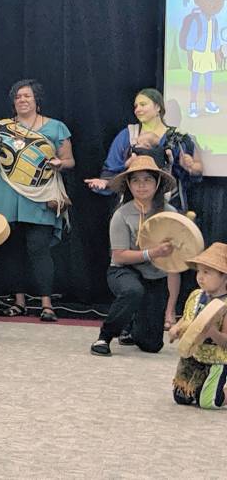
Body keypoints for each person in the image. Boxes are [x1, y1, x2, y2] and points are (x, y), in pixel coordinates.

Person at [84, 88, 203, 330]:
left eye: (143, 104)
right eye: (135, 105)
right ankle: (131, 316)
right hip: (134, 204)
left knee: (170, 260)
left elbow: (195, 170)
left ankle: (169, 312)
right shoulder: (127, 136)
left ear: (158, 107)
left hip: (169, 201)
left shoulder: (178, 138)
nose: (137, 108)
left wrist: (190, 166)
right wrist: (104, 182)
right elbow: (114, 171)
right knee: (134, 255)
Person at [0, 79, 74, 322]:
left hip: (39, 195)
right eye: (18, 97)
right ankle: (19, 302)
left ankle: (46, 305)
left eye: (27, 96)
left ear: (37, 100)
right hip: (5, 194)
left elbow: (70, 161)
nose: (22, 100)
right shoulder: (1, 128)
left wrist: (59, 164)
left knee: (39, 248)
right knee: (11, 251)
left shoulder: (56, 128)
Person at [90, 157, 176, 356]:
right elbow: (119, 256)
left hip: (155, 276)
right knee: (132, 291)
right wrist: (152, 253)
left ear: (157, 184)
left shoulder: (169, 213)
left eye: (147, 180)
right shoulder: (122, 215)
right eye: (136, 180)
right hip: (124, 271)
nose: (142, 185)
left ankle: (133, 325)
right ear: (129, 185)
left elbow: (179, 251)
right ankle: (105, 336)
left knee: (152, 345)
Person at [169, 243, 227, 409]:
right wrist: (176, 328)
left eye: (207, 272)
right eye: (199, 271)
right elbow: (186, 319)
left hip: (216, 359)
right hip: (192, 355)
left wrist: (212, 332)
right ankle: (202, 386)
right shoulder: (195, 295)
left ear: (224, 276)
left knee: (208, 402)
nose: (200, 277)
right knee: (182, 397)